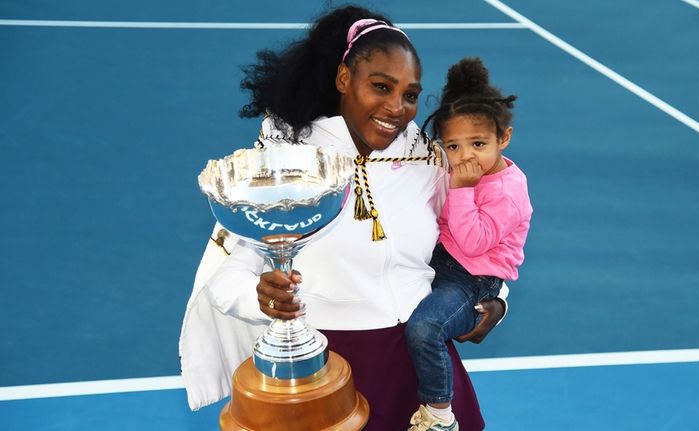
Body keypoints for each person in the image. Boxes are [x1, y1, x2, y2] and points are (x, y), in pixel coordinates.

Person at [179, 6, 508, 430]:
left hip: (425, 373)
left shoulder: (431, 159)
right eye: (380, 86)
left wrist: (496, 302)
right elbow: (226, 278)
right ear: (343, 80)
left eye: (409, 95)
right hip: (324, 377)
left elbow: (484, 235)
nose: (396, 108)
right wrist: (264, 299)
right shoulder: (285, 164)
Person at [405, 58, 533, 431]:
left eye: (478, 144)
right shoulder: (453, 167)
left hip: (473, 279)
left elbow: (474, 242)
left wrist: (460, 190)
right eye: (454, 146)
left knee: (425, 328)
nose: (464, 157)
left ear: (503, 138)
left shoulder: (508, 190)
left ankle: (440, 416)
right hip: (441, 263)